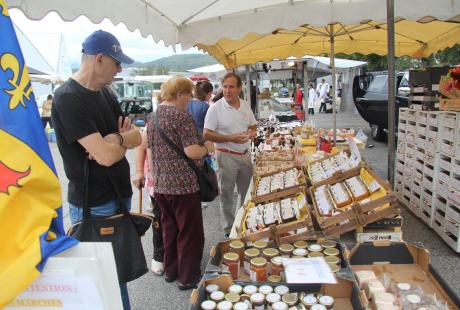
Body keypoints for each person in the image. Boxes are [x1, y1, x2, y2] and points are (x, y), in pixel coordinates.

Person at [51, 30, 141, 310]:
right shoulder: (67, 98)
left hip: (117, 197)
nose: (119, 69)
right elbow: (104, 157)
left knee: (117, 278)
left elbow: (138, 137)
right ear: (99, 59)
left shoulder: (106, 93)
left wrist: (116, 140)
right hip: (94, 204)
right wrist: (115, 143)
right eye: (117, 63)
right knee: (101, 284)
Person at [148, 76, 214, 290]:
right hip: (183, 185)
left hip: (160, 185)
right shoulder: (181, 116)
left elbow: (149, 150)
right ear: (179, 94)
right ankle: (188, 277)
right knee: (189, 231)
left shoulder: (153, 116)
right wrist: (208, 148)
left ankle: (171, 270)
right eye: (188, 94)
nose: (190, 99)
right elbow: (192, 151)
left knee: (169, 229)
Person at [203, 73, 257, 237]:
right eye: (225, 86)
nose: (227, 90)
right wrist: (230, 138)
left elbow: (253, 125)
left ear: (240, 88)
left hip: (245, 154)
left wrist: (252, 132)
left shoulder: (245, 105)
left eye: (232, 86)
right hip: (225, 156)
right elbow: (206, 134)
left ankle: (242, 223)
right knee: (226, 194)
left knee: (246, 192)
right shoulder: (215, 108)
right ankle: (228, 230)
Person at [132, 119, 164, 276]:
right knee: (159, 219)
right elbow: (140, 146)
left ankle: (173, 255)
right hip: (156, 180)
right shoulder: (153, 124)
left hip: (178, 181)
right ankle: (159, 256)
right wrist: (139, 172)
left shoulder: (183, 118)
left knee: (175, 221)